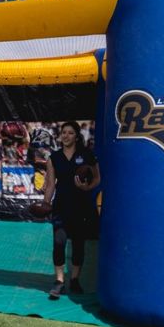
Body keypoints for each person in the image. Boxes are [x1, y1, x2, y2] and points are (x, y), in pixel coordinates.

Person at [41, 121, 101, 299]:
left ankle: (75, 280)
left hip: (82, 205)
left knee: (78, 244)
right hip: (61, 206)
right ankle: (59, 281)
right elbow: (51, 184)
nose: (66, 136)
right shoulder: (54, 158)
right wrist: (46, 202)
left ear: (76, 136)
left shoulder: (87, 155)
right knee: (58, 243)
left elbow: (97, 178)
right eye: (63, 133)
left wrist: (87, 188)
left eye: (70, 133)